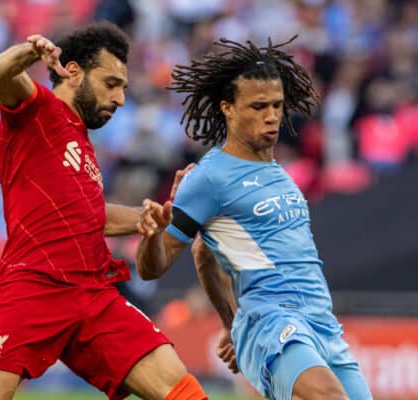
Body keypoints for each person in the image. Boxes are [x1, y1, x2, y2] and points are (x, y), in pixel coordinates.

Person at [0, 22, 208, 400]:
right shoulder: (37, 111)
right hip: (35, 286)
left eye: (122, 86)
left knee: (182, 390)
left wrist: (147, 218)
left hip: (94, 294)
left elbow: (88, 215)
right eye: (111, 83)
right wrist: (32, 50)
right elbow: (1, 71)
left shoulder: (82, 144)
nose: (121, 98)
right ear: (72, 72)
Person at [135, 36, 373, 400]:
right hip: (271, 320)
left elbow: (205, 254)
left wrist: (230, 326)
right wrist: (153, 235)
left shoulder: (280, 173)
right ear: (228, 108)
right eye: (259, 106)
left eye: (277, 105)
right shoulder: (208, 178)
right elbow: (153, 268)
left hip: (321, 322)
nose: (272, 116)